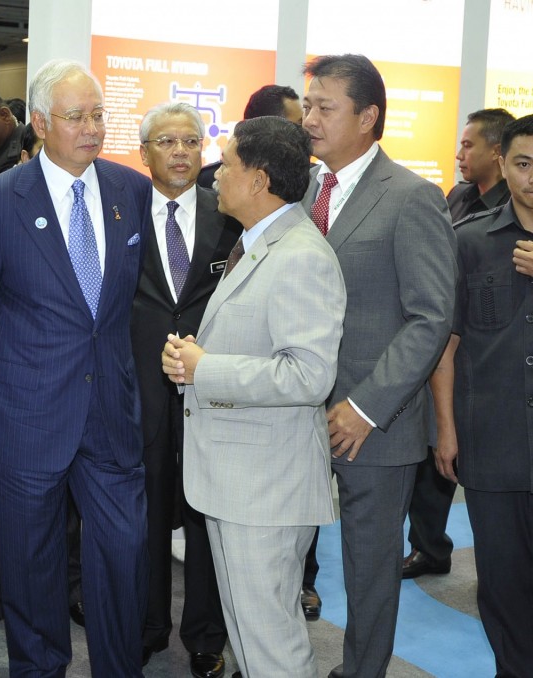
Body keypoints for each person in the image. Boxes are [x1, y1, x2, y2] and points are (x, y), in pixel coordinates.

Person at [0, 59, 152, 676]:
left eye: (99, 114)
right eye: (76, 117)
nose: (92, 128)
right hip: (26, 416)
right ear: (40, 123)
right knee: (32, 566)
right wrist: (17, 385)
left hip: (110, 417)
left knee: (124, 555)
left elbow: (120, 308)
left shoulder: (130, 190)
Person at [162, 114, 346, 678]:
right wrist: (198, 358)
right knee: (249, 635)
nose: (214, 175)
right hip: (241, 481)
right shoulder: (260, 243)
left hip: (265, 487)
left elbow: (308, 376)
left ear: (260, 179)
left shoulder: (301, 256)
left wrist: (207, 368)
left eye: (228, 164)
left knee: (272, 644)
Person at [301, 54, 456, 678]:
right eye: (308, 105)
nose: (308, 118)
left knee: (369, 568)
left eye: (323, 107)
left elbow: (431, 317)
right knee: (289, 552)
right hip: (299, 409)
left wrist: (367, 406)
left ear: (368, 117)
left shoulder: (411, 197)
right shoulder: (307, 189)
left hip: (375, 422)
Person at [132, 101, 240, 675]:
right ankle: (148, 625)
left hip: (211, 386)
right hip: (141, 386)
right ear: (144, 151)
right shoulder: (119, 210)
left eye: (190, 141)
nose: (180, 152)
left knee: (205, 513)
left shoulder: (229, 213)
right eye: (167, 142)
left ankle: (205, 634)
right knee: (144, 510)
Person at [434, 113, 533, 677]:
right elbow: (446, 345)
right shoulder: (469, 241)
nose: (532, 176)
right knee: (501, 582)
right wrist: (446, 430)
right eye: (523, 163)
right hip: (493, 446)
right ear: (503, 164)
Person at [198, 85, 303, 191]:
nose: (306, 131)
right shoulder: (208, 180)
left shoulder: (310, 179)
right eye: (298, 126)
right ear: (271, 128)